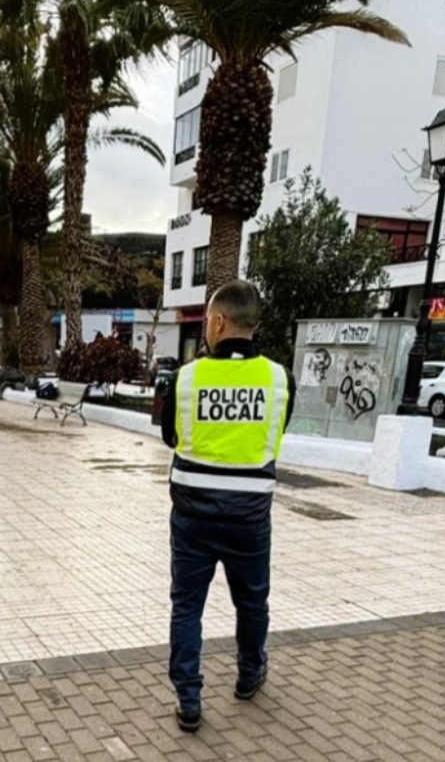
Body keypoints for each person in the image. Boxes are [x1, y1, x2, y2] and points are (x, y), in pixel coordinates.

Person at [158, 280, 294, 734]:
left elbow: (170, 438)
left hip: (193, 517)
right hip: (250, 519)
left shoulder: (187, 378)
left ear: (217, 321)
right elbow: (276, 434)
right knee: (252, 602)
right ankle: (249, 675)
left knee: (187, 606)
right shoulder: (278, 379)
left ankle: (189, 698)